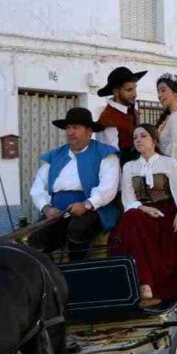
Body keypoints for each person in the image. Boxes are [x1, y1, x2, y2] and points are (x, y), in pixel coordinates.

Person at [110, 124, 177, 306]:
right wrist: (144, 208)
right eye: (135, 137)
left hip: (166, 213)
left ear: (154, 140)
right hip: (140, 212)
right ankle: (145, 283)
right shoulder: (130, 166)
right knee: (131, 219)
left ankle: (149, 283)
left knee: (133, 223)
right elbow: (128, 201)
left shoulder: (168, 163)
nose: (138, 140)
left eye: (143, 136)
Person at [28, 107, 120, 260]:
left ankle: (76, 271)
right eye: (68, 128)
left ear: (89, 131)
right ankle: (49, 277)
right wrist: (46, 208)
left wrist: (86, 204)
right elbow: (38, 187)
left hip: (94, 210)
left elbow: (108, 188)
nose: (71, 132)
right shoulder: (56, 155)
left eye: (76, 127)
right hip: (58, 211)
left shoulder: (105, 154)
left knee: (78, 229)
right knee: (36, 239)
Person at [95, 66, 147, 166]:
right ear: (116, 92)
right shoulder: (108, 119)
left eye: (135, 89)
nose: (135, 94)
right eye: (129, 90)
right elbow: (111, 158)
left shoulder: (131, 110)